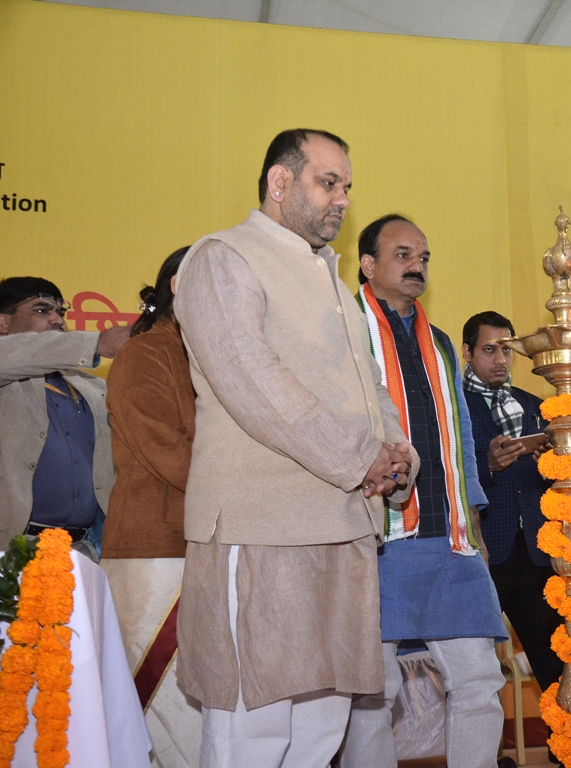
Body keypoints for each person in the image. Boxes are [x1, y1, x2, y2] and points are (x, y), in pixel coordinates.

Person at [172, 129, 418, 768]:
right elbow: (253, 381)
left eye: (347, 186)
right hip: (261, 527)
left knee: (321, 727)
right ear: (279, 183)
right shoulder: (224, 257)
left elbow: (369, 387)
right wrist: (359, 457)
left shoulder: (331, 280)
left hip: (342, 524)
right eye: (327, 182)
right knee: (251, 728)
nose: (342, 199)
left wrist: (398, 457)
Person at [342, 215, 505, 768]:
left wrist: (474, 520)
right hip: (378, 536)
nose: (417, 266)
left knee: (479, 680)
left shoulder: (439, 342)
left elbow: (461, 432)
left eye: (424, 257)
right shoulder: (345, 330)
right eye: (403, 255)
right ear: (368, 265)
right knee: (373, 691)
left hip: (449, 536)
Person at [102, 246, 203, 767]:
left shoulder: (210, 357)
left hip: (206, 543)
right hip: (153, 552)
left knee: (200, 706)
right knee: (162, 706)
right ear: (178, 290)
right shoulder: (144, 354)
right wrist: (244, 493)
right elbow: (164, 448)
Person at [460, 310, 564, 694]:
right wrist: (486, 465)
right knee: (475, 672)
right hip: (483, 552)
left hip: (535, 553)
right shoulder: (453, 406)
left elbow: (555, 480)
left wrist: (549, 463)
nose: (500, 359)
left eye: (507, 350)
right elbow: (442, 472)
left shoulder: (536, 406)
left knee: (554, 663)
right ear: (467, 352)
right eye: (489, 350)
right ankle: (485, 737)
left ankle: (567, 733)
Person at [0, 276, 130, 559]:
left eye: (60, 312)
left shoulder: (94, 387)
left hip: (83, 550)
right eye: (41, 310)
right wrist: (99, 343)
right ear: (3, 322)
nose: (57, 320)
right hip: (11, 549)